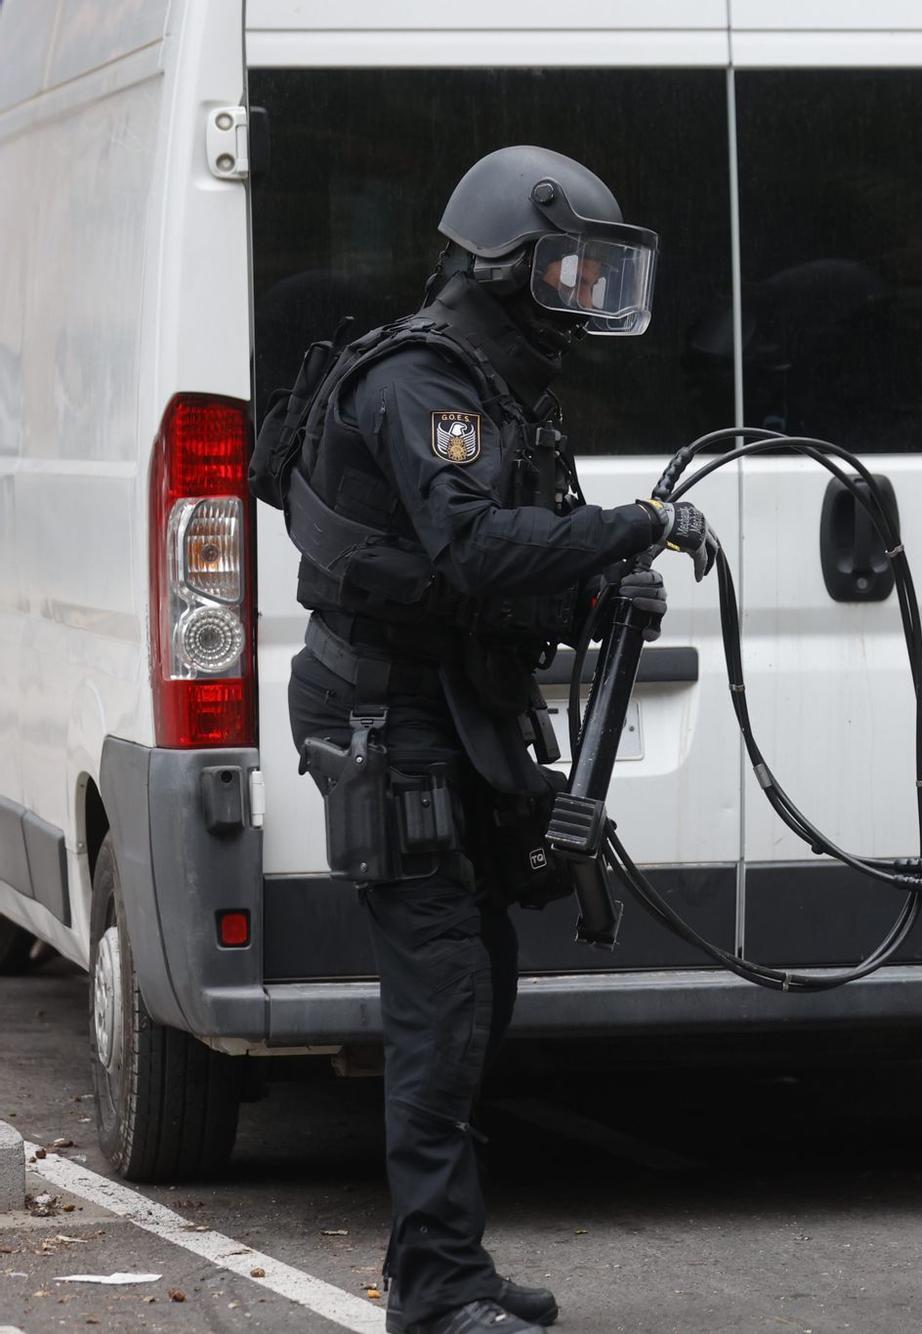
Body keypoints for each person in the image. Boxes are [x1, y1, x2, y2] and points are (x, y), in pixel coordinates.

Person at [260, 146, 709, 1334]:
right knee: (445, 1002)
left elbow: (494, 577)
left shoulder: (494, 391)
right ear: (504, 259)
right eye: (570, 269)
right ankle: (439, 1289)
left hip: (456, 712)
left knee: (481, 995)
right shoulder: (422, 386)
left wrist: (595, 593)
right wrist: (635, 528)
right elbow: (472, 550)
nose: (585, 297)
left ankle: (443, 1262)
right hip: (387, 718)